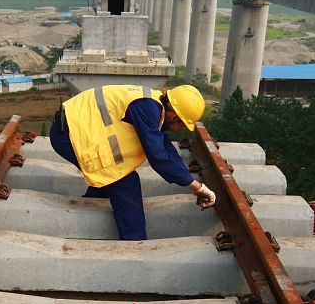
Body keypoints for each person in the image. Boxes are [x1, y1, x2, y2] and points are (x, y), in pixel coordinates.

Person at [49, 83, 217, 240]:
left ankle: (88, 206)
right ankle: (135, 246)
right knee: (126, 184)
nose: (179, 129)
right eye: (182, 125)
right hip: (70, 135)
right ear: (174, 116)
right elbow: (158, 157)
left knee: (113, 175)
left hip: (73, 129)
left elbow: (164, 147)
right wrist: (196, 186)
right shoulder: (147, 108)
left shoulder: (153, 104)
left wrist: (190, 179)